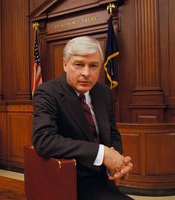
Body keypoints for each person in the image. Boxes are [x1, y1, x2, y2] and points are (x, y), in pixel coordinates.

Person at [32, 36, 133, 200]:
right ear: (65, 64)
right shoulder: (47, 92)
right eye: (79, 64)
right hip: (73, 179)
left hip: (105, 178)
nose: (86, 73)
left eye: (93, 66)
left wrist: (118, 164)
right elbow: (44, 140)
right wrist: (102, 154)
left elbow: (113, 133)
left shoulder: (104, 93)